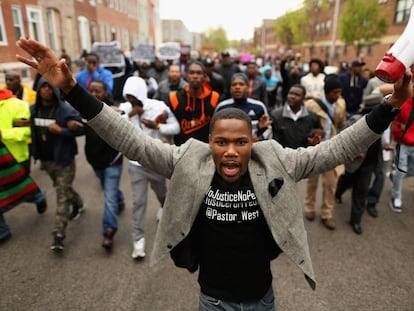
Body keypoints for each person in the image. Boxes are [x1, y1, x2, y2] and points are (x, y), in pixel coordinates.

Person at [16, 37, 411, 310]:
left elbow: (336, 148)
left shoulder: (276, 159)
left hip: (262, 299)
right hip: (212, 300)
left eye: (241, 142)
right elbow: (130, 140)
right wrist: (72, 91)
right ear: (209, 141)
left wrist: (390, 107)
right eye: (221, 142)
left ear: (253, 141)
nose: (231, 151)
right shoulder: (189, 158)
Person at [118, 76, 180, 259]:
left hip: (155, 162)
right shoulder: (125, 109)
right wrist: (130, 114)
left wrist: (157, 126)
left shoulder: (159, 106)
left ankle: (164, 209)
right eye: (128, 96)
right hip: (135, 164)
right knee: (138, 203)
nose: (131, 100)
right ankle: (138, 241)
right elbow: (117, 128)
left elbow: (175, 128)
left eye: (134, 96)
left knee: (163, 194)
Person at [30, 77, 85, 252]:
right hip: (46, 161)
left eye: (49, 87)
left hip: (64, 160)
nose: (46, 90)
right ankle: (78, 202)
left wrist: (63, 130)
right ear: (38, 90)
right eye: (43, 87)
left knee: (61, 194)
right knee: (64, 188)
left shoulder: (65, 110)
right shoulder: (33, 110)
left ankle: (58, 234)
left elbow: (83, 128)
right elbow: (26, 125)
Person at [0, 87, 47, 243]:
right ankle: (2, 229)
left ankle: (38, 196)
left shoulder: (18, 105)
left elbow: (26, 132)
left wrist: (3, 134)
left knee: (20, 190)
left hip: (15, 159)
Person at [84, 80, 125, 250]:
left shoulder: (114, 109)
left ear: (105, 93)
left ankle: (109, 231)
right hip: (95, 161)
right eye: (91, 91)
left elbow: (125, 117)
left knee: (108, 197)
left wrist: (119, 113)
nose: (94, 94)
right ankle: (120, 199)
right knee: (112, 192)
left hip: (112, 162)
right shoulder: (83, 108)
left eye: (98, 91)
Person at [334, 97, 384, 234]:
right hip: (355, 162)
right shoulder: (356, 119)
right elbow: (341, 136)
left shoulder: (384, 120)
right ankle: (337, 194)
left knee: (361, 191)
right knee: (346, 182)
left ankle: (355, 221)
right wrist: (354, 152)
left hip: (369, 163)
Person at [303, 75, 346, 230]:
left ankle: (326, 214)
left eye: (340, 92)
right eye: (335, 92)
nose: (338, 96)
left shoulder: (341, 104)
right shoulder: (311, 105)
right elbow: (304, 126)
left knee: (330, 184)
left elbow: (341, 124)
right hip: (316, 150)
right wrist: (312, 134)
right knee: (312, 181)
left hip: (332, 150)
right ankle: (309, 208)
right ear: (327, 92)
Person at [168, 61, 220, 145]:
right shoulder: (175, 98)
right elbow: (170, 124)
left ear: (204, 76)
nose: (195, 76)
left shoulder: (214, 97)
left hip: (206, 149)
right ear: (186, 76)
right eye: (191, 73)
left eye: (199, 73)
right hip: (181, 150)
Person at [215, 73, 272, 141]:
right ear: (230, 88)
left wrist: (259, 139)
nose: (237, 87)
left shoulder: (259, 106)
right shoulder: (222, 107)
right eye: (234, 84)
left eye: (241, 84)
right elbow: (214, 129)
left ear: (248, 87)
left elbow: (268, 128)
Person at [271, 84, 324, 149]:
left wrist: (313, 142)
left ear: (303, 98)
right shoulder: (276, 115)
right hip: (283, 156)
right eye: (290, 94)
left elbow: (317, 134)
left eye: (297, 95)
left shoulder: (312, 117)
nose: (292, 97)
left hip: (304, 155)